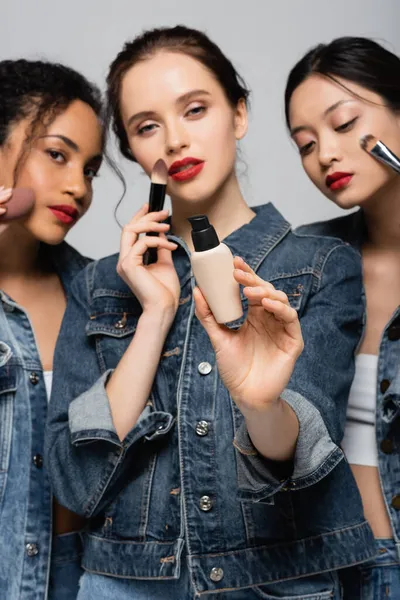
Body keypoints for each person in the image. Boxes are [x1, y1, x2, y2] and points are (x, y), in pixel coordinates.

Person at [46, 26, 375, 599]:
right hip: (123, 585)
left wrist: (259, 403)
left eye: (194, 110)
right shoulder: (97, 284)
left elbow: (304, 464)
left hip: (278, 582)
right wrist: (155, 314)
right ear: (132, 151)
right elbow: (76, 484)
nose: (173, 140)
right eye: (147, 126)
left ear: (238, 114)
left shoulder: (323, 264)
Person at [285, 35, 400, 598]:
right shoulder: (305, 260)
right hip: (323, 571)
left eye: (344, 122)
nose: (325, 154)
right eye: (305, 144)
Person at [0, 58, 103, 599]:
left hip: (82, 577)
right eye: (57, 155)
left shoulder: (100, 294)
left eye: (89, 168)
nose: (78, 187)